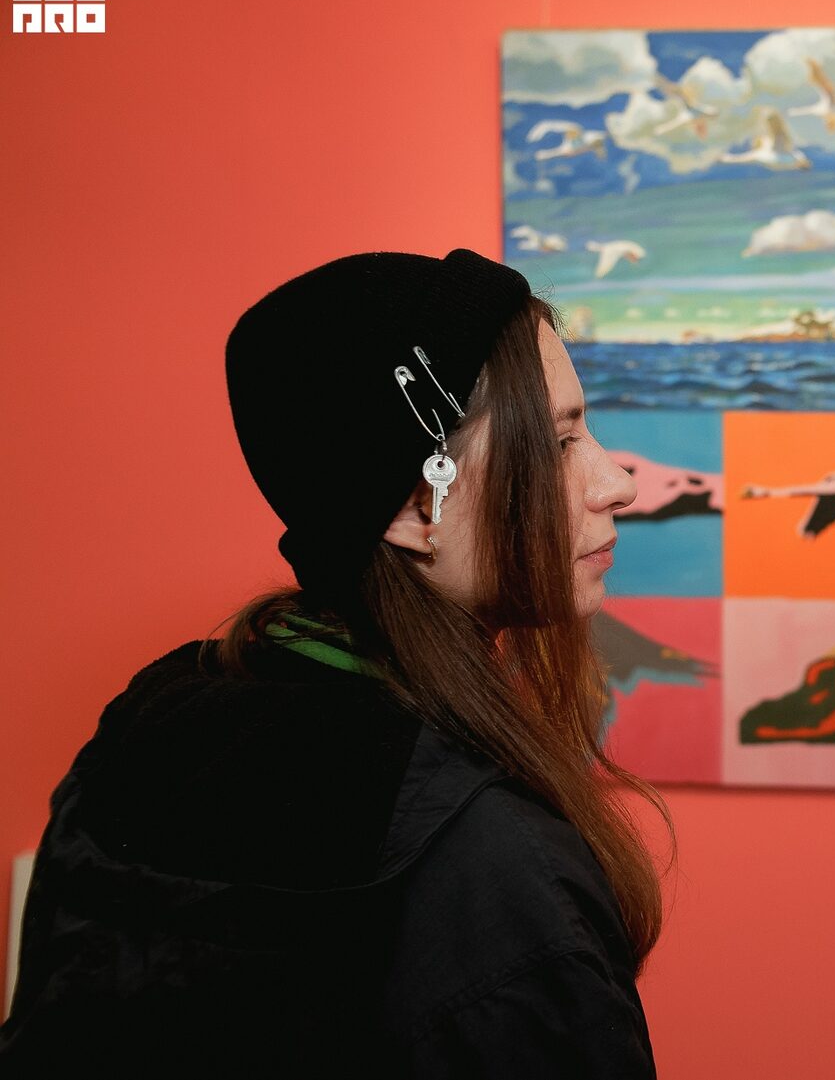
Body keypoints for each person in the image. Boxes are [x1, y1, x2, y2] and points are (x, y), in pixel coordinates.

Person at [0, 248, 666, 1076]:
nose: (617, 482)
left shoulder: (141, 732)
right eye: (560, 441)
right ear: (418, 505)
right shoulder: (492, 863)